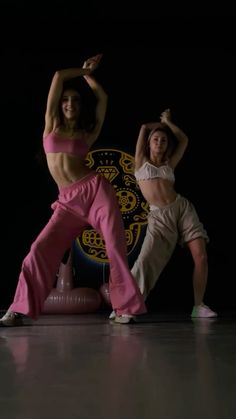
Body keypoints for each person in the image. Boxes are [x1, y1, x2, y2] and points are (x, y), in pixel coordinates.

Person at [0, 53, 146, 327]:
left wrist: (90, 77)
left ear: (80, 107)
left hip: (96, 191)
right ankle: (17, 309)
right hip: (68, 202)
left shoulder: (86, 134)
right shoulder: (50, 126)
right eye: (66, 100)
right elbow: (58, 76)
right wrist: (82, 70)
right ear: (59, 105)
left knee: (114, 247)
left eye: (76, 100)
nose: (70, 103)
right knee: (39, 249)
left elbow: (102, 99)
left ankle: (125, 307)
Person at [111, 108, 217, 319]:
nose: (160, 143)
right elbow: (143, 128)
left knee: (201, 256)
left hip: (182, 208)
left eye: (164, 141)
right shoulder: (140, 162)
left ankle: (198, 306)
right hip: (160, 217)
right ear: (149, 143)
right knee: (145, 260)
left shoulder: (169, 164)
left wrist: (169, 123)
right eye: (156, 139)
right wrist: (161, 124)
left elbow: (184, 140)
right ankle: (123, 306)